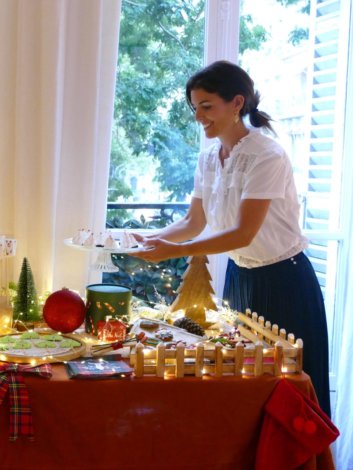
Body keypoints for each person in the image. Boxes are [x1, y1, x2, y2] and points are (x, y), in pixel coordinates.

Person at [133, 60, 331, 417]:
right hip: (241, 280)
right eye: (195, 108)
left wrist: (174, 251)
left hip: (284, 282)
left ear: (237, 103)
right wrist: (146, 239)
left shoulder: (266, 155)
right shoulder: (209, 157)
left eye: (207, 106)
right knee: (243, 389)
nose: (199, 117)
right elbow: (194, 222)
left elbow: (243, 233)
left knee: (288, 394)